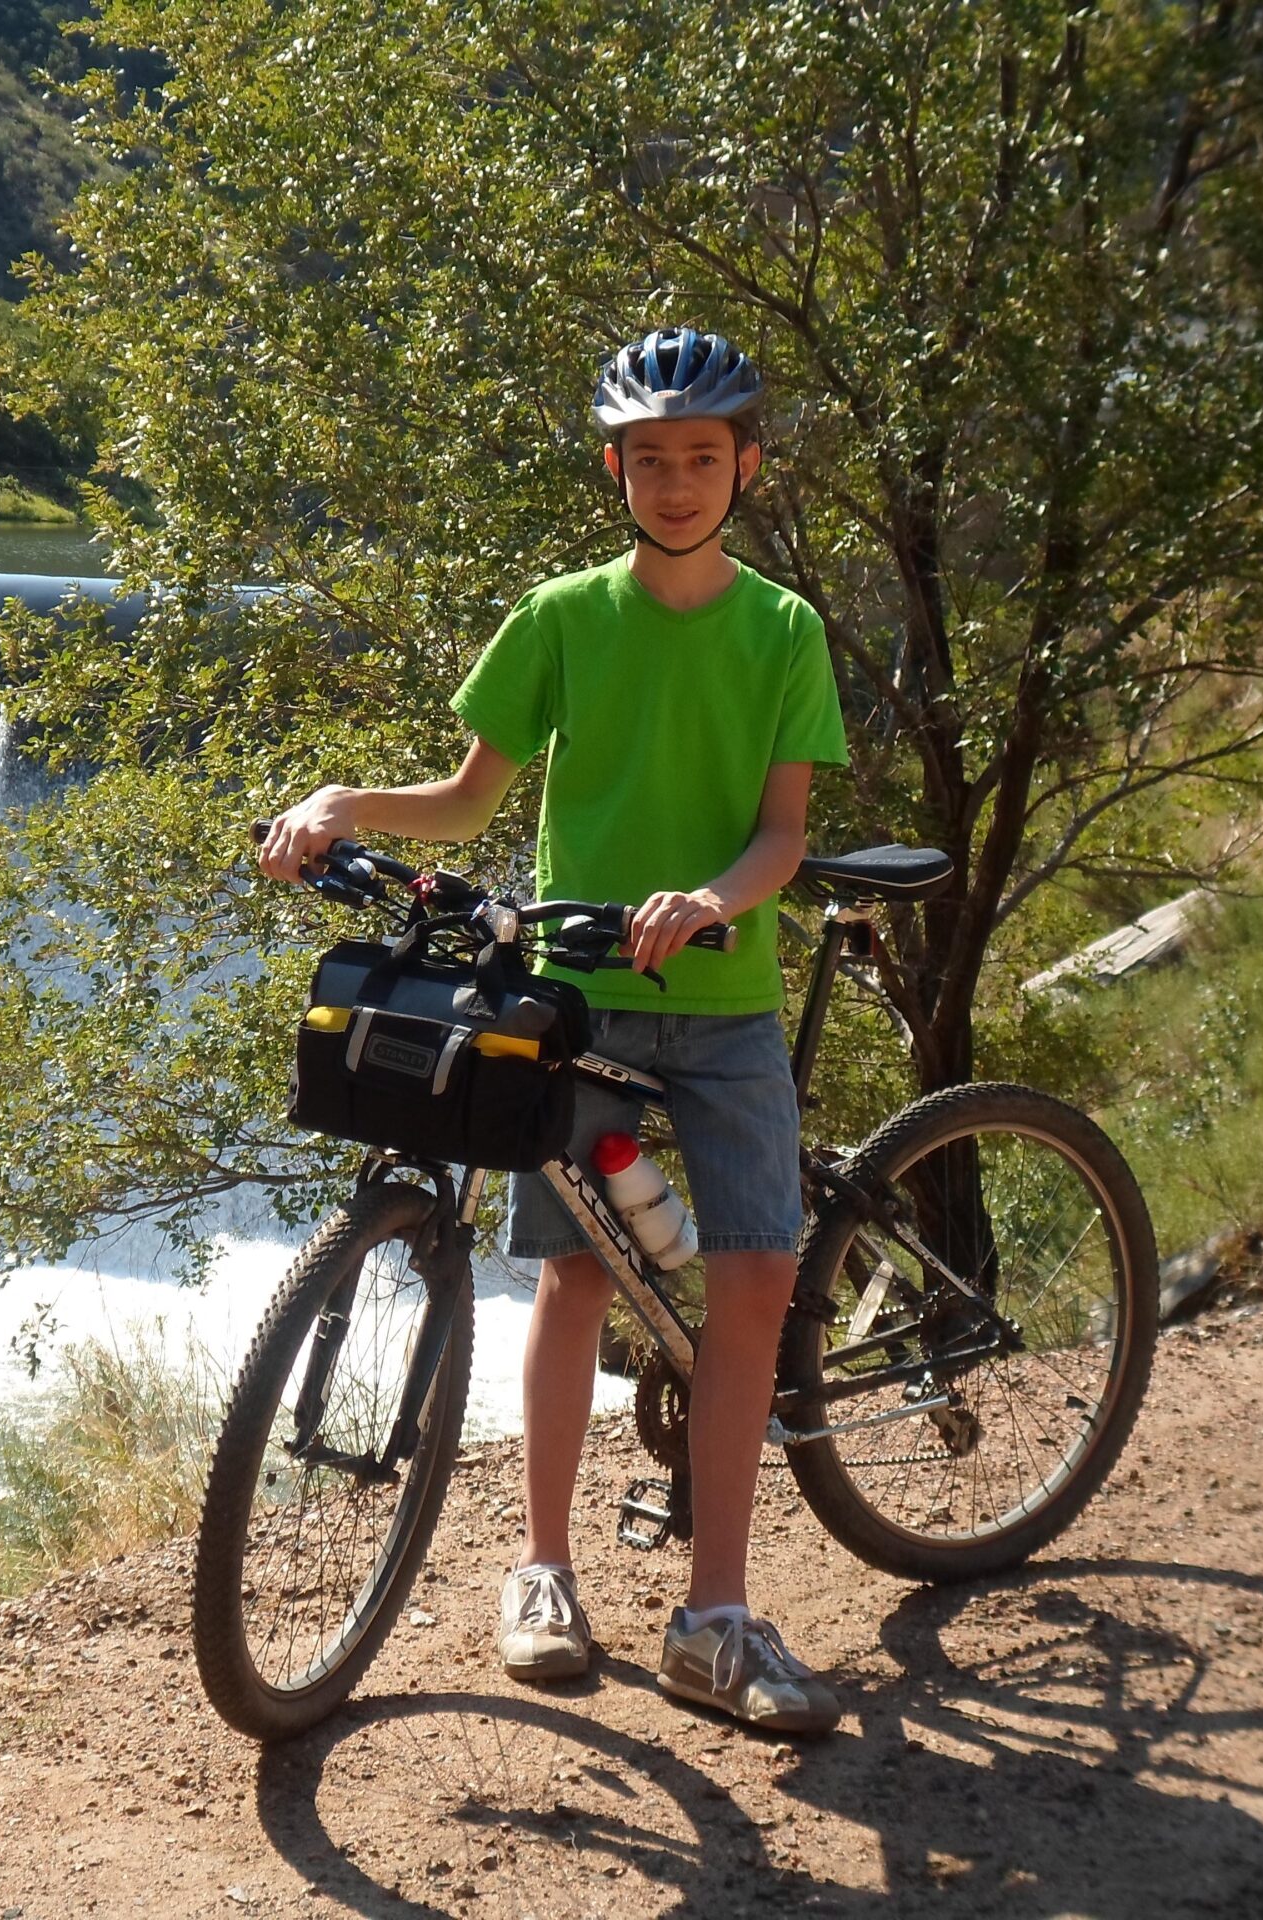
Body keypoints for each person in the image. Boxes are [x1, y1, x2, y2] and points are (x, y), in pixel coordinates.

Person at [257, 327, 850, 1736]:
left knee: (754, 1289)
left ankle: (716, 1618)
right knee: (574, 1279)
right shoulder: (563, 615)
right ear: (617, 470)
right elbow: (469, 800)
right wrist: (345, 799)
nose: (679, 481)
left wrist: (711, 901)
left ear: (746, 467)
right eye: (653, 460)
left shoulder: (784, 631)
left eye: (705, 458)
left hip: (723, 1007)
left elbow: (781, 839)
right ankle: (543, 1575)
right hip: (579, 999)